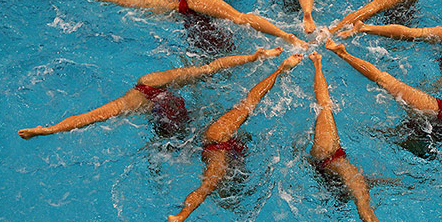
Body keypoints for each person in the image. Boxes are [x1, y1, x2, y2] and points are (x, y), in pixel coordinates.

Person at [164, 53, 304, 222]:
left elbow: (204, 190)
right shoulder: (223, 166)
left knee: (249, 104)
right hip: (219, 139)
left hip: (218, 138)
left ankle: (280, 70)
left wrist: (182, 215)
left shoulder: (219, 167)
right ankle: (279, 70)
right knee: (248, 105)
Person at [18, 48, 284, 139]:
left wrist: (254, 57)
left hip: (185, 123)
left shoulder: (159, 80)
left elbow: (210, 68)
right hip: (170, 135)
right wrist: (49, 130)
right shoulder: (133, 101)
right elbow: (92, 117)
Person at [49, 0, 308, 48]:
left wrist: (288, 37)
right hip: (196, 23)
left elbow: (242, 19)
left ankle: (287, 35)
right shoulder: (172, 9)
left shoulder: (194, 1)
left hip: (196, 5)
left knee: (239, 19)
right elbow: (120, 0)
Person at [308, 52, 390, 222]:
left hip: (329, 154)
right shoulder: (346, 177)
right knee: (362, 198)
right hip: (325, 159)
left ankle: (317, 63)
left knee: (325, 106)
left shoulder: (351, 177)